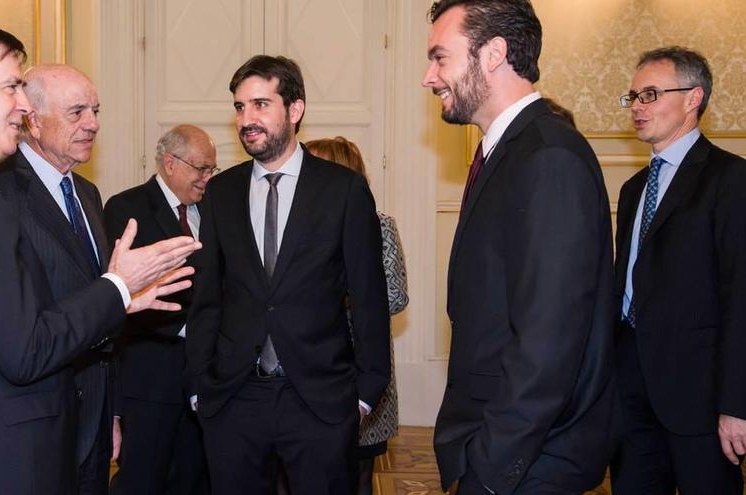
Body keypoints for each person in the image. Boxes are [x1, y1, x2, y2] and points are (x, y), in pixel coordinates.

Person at [0, 22, 199, 495]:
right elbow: (27, 350)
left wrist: (121, 302)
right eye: (10, 86)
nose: (23, 104)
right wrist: (118, 286)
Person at [422, 1, 617, 494]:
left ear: (493, 54)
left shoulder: (549, 157)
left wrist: (489, 470)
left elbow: (547, 344)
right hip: (506, 447)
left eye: (440, 58)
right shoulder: (507, 150)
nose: (429, 77)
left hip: (528, 460)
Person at [185, 55, 391, 495]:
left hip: (319, 399)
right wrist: (200, 387)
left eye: (260, 104)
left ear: (294, 110)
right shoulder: (221, 191)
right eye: (240, 108)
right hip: (235, 398)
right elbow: (208, 297)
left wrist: (364, 394)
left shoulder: (342, 189)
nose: (247, 120)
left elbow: (370, 297)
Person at [611, 46, 746, 495]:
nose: (637, 108)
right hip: (630, 388)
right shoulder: (633, 189)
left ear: (694, 98)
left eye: (650, 94)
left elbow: (741, 298)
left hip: (699, 399)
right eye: (632, 97)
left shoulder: (730, 180)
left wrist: (736, 405)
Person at [0, 63, 117, 494]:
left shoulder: (87, 193)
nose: (93, 124)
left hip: (94, 408)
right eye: (78, 112)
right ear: (33, 121)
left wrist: (111, 414)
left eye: (96, 111)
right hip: (39, 409)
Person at [105, 124, 216, 495]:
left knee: (196, 479)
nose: (207, 178)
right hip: (150, 379)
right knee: (143, 481)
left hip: (204, 379)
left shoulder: (213, 209)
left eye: (211, 169)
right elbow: (122, 297)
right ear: (170, 163)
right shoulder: (127, 208)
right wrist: (192, 327)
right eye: (201, 168)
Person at [305, 137, 409, 495]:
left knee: (358, 476)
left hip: (362, 371)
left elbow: (394, 298)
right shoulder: (295, 227)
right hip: (306, 373)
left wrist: (335, 296)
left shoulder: (379, 226)